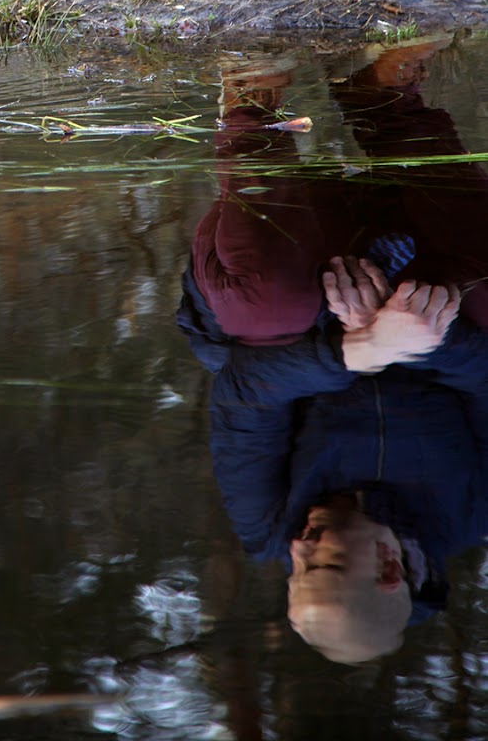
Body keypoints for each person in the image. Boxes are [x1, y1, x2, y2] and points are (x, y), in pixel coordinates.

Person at [178, 42, 488, 662]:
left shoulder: (269, 528)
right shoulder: (472, 512)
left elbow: (245, 398)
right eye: (322, 563)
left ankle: (252, 111)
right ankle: (383, 99)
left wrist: (358, 350)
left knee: (268, 309)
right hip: (423, 296)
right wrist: (421, 337)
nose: (298, 549)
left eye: (296, 571)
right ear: (389, 568)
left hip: (296, 299)